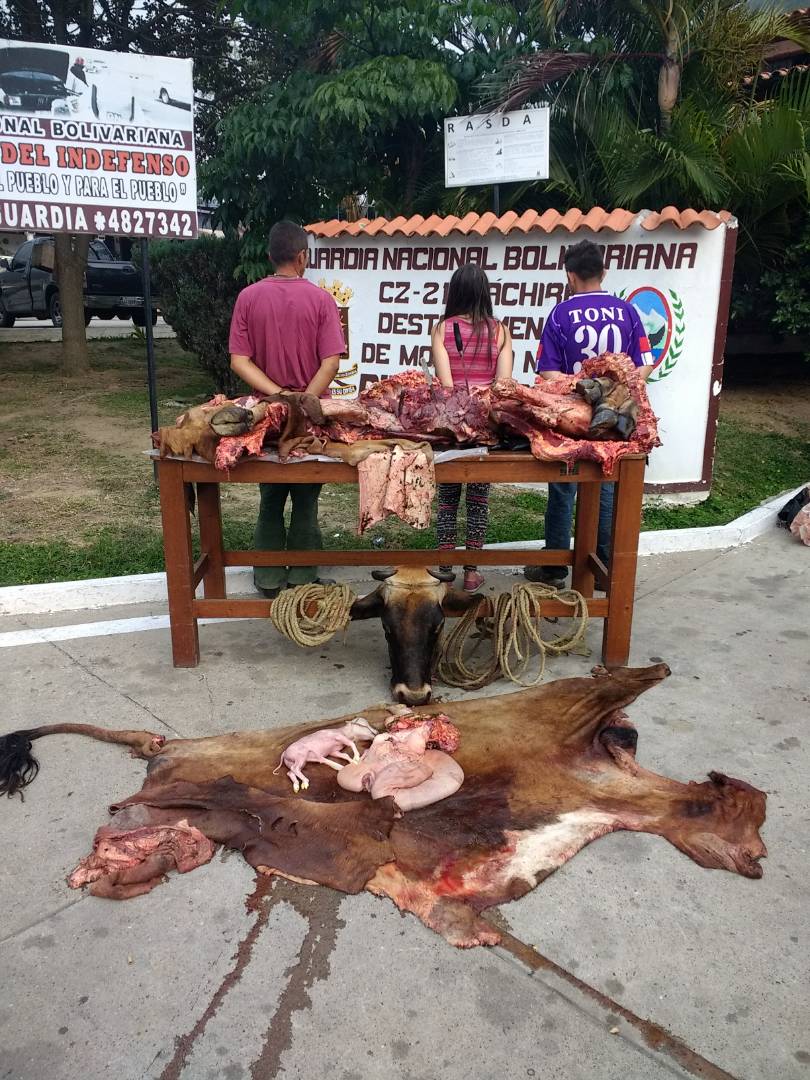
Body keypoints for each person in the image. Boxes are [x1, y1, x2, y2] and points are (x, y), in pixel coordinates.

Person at [525, 239, 654, 587]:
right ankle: (603, 568)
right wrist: (614, 394)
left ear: (570, 275)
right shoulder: (626, 312)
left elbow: (548, 372)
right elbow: (644, 365)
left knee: (563, 486)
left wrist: (580, 397)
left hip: (573, 422)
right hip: (616, 422)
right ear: (604, 272)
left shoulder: (560, 314)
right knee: (608, 482)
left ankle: (553, 568)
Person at [229, 220, 345, 598]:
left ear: (269, 256)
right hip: (309, 419)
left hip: (265, 417)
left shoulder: (248, 297)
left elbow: (239, 361)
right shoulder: (322, 300)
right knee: (307, 497)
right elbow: (331, 363)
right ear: (302, 257)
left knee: (271, 494)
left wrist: (278, 397)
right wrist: (304, 400)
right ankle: (301, 578)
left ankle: (267, 579)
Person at [431, 264, 514, 592]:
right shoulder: (501, 331)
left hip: (452, 431)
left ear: (455, 292)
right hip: (485, 431)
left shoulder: (441, 329)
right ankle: (471, 572)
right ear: (484, 292)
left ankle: (445, 573)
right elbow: (504, 387)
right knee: (479, 500)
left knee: (447, 500)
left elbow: (446, 386)